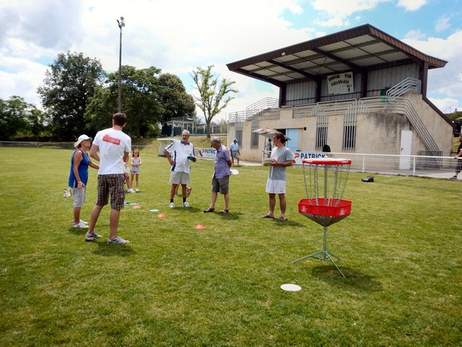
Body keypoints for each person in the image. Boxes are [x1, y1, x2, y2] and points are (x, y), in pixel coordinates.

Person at [86, 112, 131, 244]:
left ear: (113, 121)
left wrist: (104, 162)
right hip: (116, 174)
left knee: (99, 203)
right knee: (116, 206)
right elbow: (126, 157)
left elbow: (92, 153)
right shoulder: (126, 138)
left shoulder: (100, 133)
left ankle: (90, 233)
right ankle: (112, 237)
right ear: (125, 124)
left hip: (102, 173)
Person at [68, 134, 99, 228]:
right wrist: (78, 181)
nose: (89, 142)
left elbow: (90, 163)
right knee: (78, 201)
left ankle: (77, 219)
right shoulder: (78, 153)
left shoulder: (84, 153)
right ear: (81, 142)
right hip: (77, 181)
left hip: (82, 180)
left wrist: (101, 168)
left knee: (80, 201)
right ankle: (76, 223)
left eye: (89, 140)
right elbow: (75, 168)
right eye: (87, 140)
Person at [263, 133, 294, 221]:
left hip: (280, 177)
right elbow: (273, 161)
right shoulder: (273, 150)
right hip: (271, 176)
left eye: (274, 139)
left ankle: (282, 215)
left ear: (279, 139)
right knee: (271, 195)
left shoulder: (286, 150)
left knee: (281, 196)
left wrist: (278, 164)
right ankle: (271, 213)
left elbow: (290, 163)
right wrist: (268, 163)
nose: (273, 141)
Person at [164, 129, 196, 208]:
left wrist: (192, 159)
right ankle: (171, 202)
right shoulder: (176, 143)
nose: (184, 137)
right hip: (176, 168)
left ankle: (184, 202)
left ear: (189, 136)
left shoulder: (191, 145)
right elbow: (165, 150)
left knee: (184, 186)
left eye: (186, 135)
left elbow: (193, 157)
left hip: (186, 168)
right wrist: (170, 160)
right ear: (182, 136)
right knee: (174, 185)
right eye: (183, 135)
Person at [204, 137, 232, 214]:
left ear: (217, 143)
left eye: (213, 145)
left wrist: (227, 170)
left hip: (223, 174)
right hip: (216, 173)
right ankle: (212, 207)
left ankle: (226, 209)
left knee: (225, 192)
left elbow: (229, 161)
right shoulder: (217, 150)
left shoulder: (224, 150)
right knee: (214, 190)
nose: (212, 147)